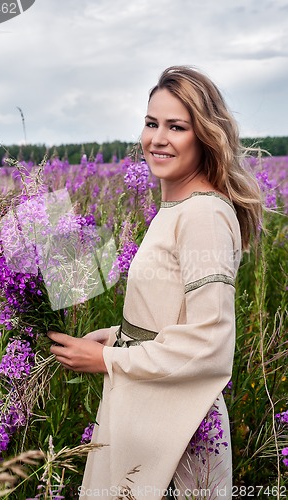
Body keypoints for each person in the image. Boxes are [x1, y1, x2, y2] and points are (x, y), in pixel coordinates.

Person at [47, 66, 263, 499]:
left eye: (176, 127)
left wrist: (109, 361)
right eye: (151, 123)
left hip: (177, 426)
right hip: (147, 406)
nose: (157, 139)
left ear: (204, 136)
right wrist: (113, 338)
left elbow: (210, 342)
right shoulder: (178, 208)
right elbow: (168, 316)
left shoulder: (202, 215)